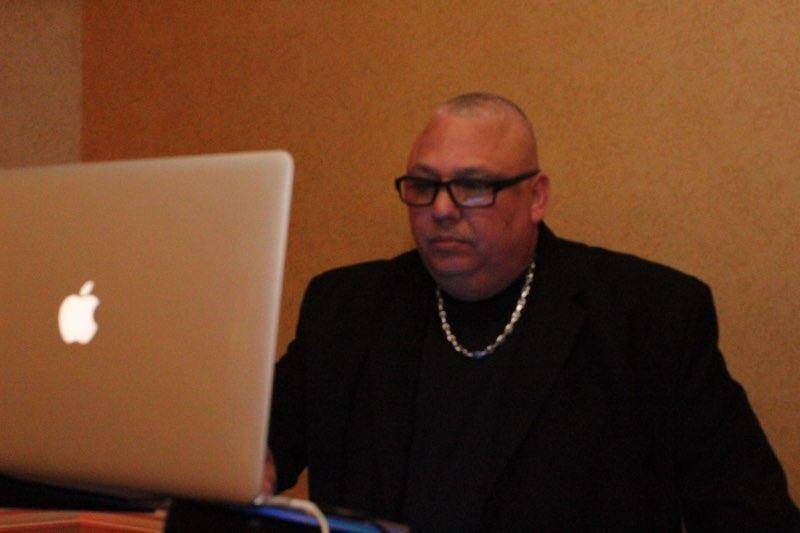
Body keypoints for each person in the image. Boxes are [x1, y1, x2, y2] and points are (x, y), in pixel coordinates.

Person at [267, 93, 799, 531]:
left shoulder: (651, 318)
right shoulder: (346, 310)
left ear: (536, 197)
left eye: (473, 186)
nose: (442, 209)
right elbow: (258, 445)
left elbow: (753, 515)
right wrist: (255, 464)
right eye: (424, 186)